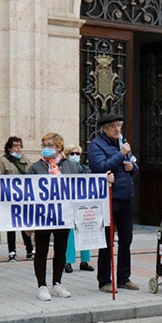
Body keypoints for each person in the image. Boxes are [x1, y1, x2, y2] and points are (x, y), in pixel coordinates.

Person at [88, 114, 139, 293]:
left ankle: (124, 277)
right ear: (104, 129)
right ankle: (104, 280)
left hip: (126, 197)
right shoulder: (96, 145)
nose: (117, 129)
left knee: (126, 240)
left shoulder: (122, 143)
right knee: (108, 241)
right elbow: (100, 167)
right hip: (109, 198)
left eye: (119, 126)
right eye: (113, 127)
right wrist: (121, 154)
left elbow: (133, 164)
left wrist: (133, 168)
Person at [27, 132, 76, 300]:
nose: (46, 149)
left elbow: (83, 182)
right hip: (43, 215)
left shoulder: (70, 165)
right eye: (44, 145)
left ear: (59, 147)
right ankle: (41, 285)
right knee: (41, 250)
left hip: (64, 214)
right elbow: (28, 192)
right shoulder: (36, 167)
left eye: (50, 145)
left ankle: (57, 283)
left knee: (60, 250)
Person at [0, 135, 33, 261]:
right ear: (9, 148)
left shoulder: (25, 160)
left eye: (20, 146)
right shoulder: (2, 161)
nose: (18, 148)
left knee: (25, 224)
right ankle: (12, 251)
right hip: (9, 198)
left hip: (24, 197)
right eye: (16, 146)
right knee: (11, 225)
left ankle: (29, 250)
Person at [56, 143, 94, 272]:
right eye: (72, 153)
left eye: (78, 154)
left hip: (83, 204)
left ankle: (85, 260)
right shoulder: (61, 168)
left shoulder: (85, 168)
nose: (75, 156)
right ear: (66, 155)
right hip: (69, 204)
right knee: (71, 234)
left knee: (85, 231)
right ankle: (68, 261)